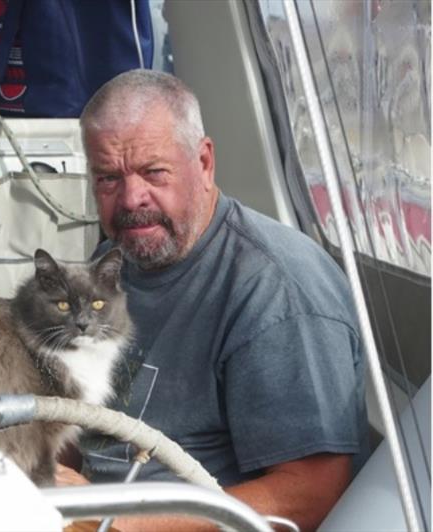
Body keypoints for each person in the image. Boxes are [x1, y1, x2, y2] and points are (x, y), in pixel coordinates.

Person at [56, 69, 369, 531]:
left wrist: (111, 520)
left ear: (203, 162)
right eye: (107, 178)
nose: (130, 198)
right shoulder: (117, 256)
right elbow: (78, 416)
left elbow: (310, 495)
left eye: (152, 171)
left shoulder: (276, 291)